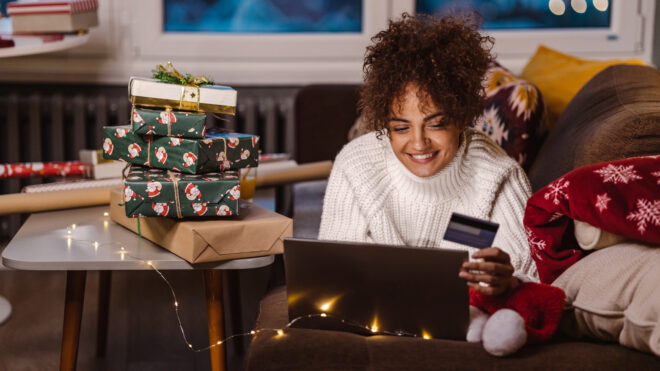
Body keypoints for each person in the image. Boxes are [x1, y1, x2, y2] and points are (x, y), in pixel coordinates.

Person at [318, 13, 538, 296]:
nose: (419, 143)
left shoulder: (498, 175)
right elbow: (334, 271)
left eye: (436, 124)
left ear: (461, 117)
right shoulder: (356, 165)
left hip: (466, 317)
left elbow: (531, 275)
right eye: (401, 127)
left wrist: (509, 281)